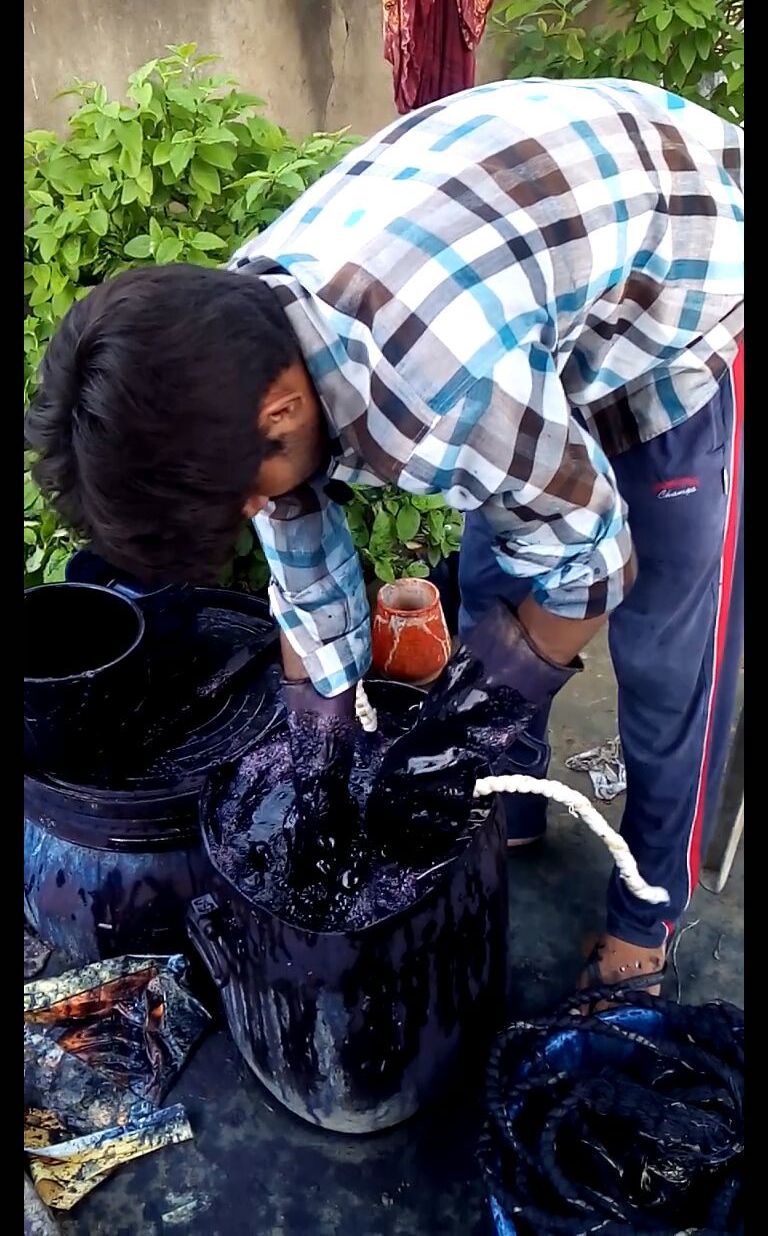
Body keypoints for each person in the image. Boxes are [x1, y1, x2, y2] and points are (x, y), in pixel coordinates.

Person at [26, 77, 743, 998]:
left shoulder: (441, 395)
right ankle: (510, 805)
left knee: (665, 661)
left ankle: (647, 914)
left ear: (282, 411)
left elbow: (597, 564)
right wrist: (317, 743)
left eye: (241, 500)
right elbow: (297, 536)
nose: (251, 514)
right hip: (517, 268)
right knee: (495, 576)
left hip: (678, 262)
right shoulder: (226, 351)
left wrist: (468, 720)